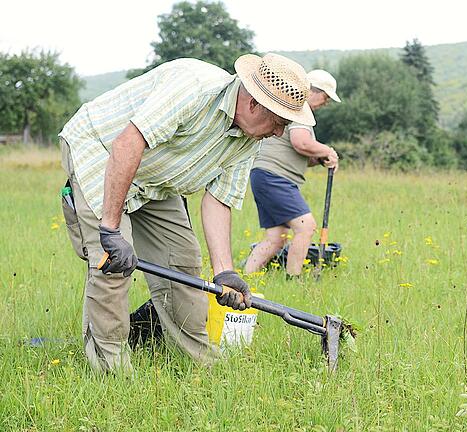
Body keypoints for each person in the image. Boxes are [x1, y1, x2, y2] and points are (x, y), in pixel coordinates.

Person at [59, 53, 315, 373]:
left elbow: (219, 199)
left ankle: (201, 363)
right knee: (112, 265)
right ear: (254, 105)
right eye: (279, 123)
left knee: (182, 259)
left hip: (156, 178)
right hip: (101, 151)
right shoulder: (193, 89)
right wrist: (110, 230)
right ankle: (112, 370)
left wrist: (224, 272)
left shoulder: (250, 140)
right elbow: (127, 144)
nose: (279, 134)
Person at [243, 70, 341, 277]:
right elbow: (301, 143)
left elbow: (300, 152)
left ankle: (246, 276)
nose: (326, 104)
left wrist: (319, 159)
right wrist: (329, 151)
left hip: (265, 175)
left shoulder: (294, 108)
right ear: (314, 91)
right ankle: (294, 279)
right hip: (275, 177)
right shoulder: (300, 108)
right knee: (306, 227)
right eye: (326, 98)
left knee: (276, 237)